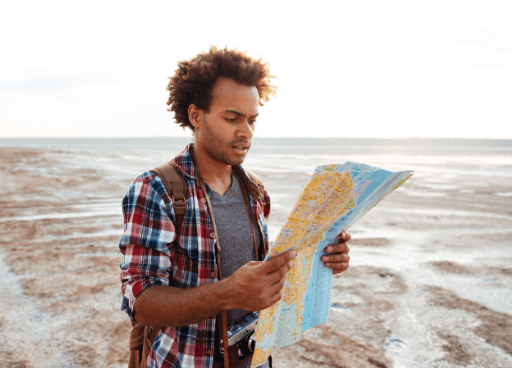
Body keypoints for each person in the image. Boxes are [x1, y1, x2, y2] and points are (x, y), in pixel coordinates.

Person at [119, 46, 351, 368]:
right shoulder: (155, 190)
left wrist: (321, 258)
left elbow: (261, 281)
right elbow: (140, 301)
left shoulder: (254, 190)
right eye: (232, 119)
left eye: (252, 120)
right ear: (196, 116)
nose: (247, 133)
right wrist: (228, 294)